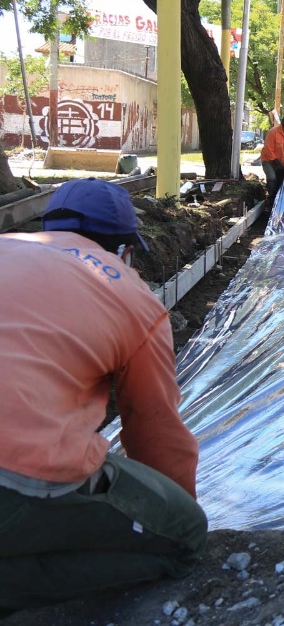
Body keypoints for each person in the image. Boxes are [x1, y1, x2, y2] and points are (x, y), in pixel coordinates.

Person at [0, 178, 207, 613]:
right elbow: (156, 435)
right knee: (185, 535)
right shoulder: (132, 297)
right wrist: (167, 514)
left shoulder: (7, 246)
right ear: (123, 249)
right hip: (14, 474)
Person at [261, 113, 284, 205]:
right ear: (283, 122)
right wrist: (276, 163)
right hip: (268, 160)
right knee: (272, 178)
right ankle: (271, 199)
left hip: (283, 163)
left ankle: (281, 200)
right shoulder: (273, 132)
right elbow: (268, 149)